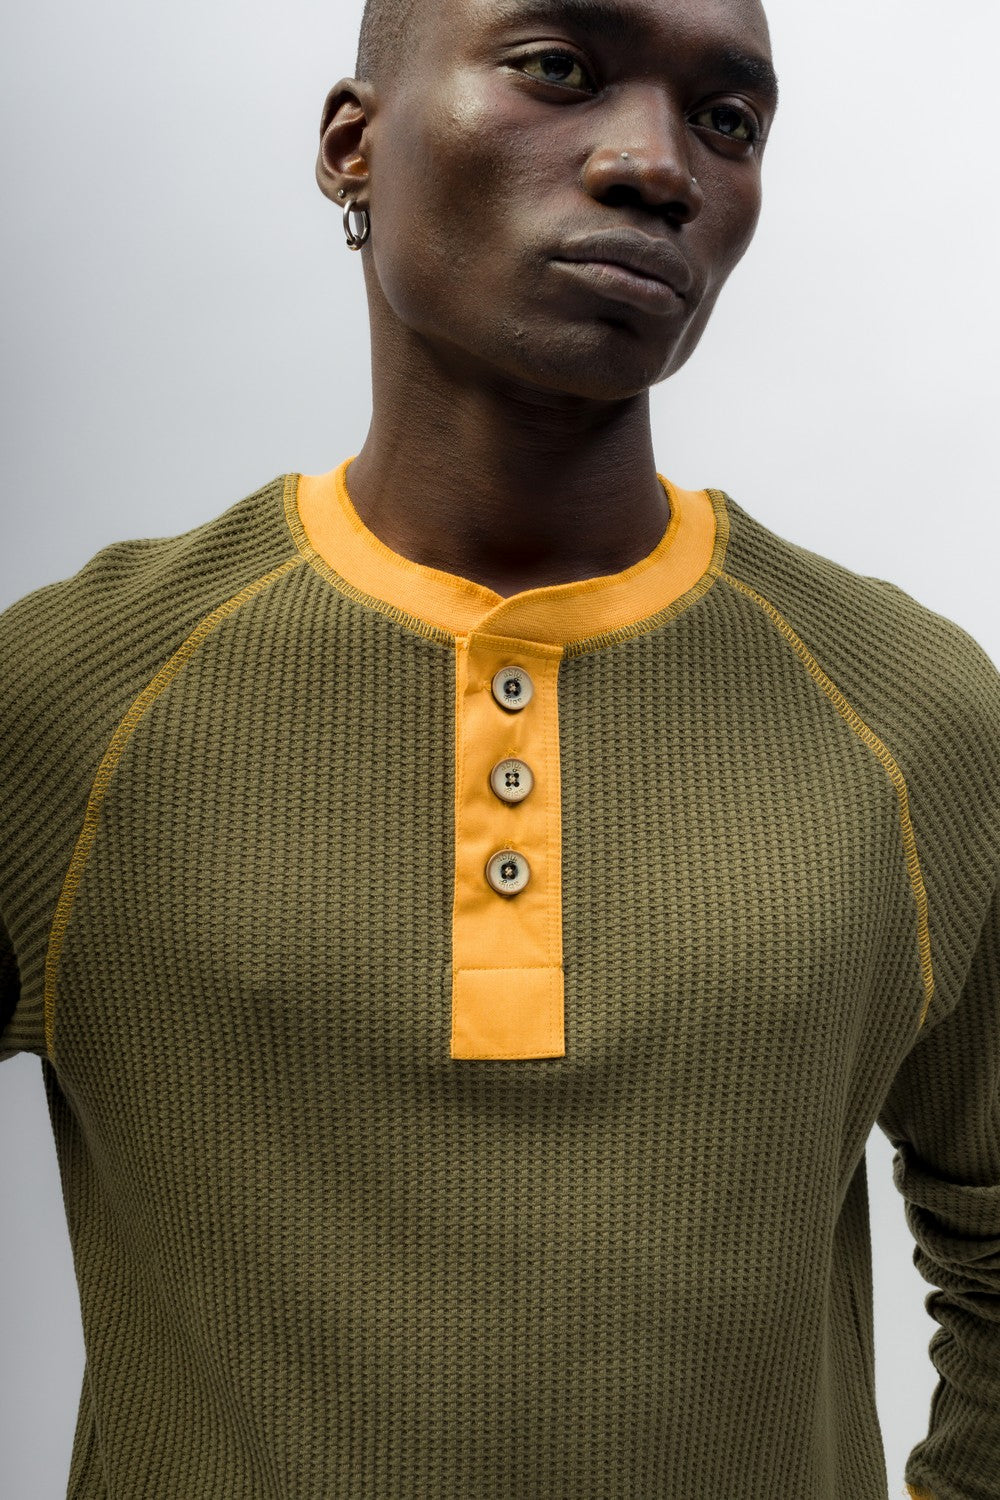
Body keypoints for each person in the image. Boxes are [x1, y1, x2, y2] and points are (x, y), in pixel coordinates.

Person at [1, 0, 997, 1496]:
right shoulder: (63, 699)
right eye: (558, 69)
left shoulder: (913, 711)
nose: (657, 165)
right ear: (353, 144)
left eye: (727, 121)